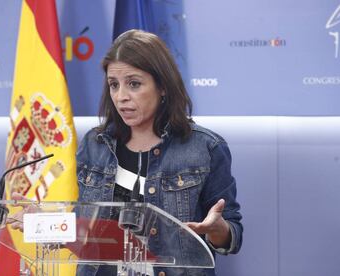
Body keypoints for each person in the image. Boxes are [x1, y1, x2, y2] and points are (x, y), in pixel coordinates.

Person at [76, 29, 243, 276]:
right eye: (114, 85)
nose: (121, 97)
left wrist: (218, 229)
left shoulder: (205, 148)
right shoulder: (95, 143)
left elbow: (232, 234)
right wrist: (39, 224)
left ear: (162, 86)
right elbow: (83, 222)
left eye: (134, 84)